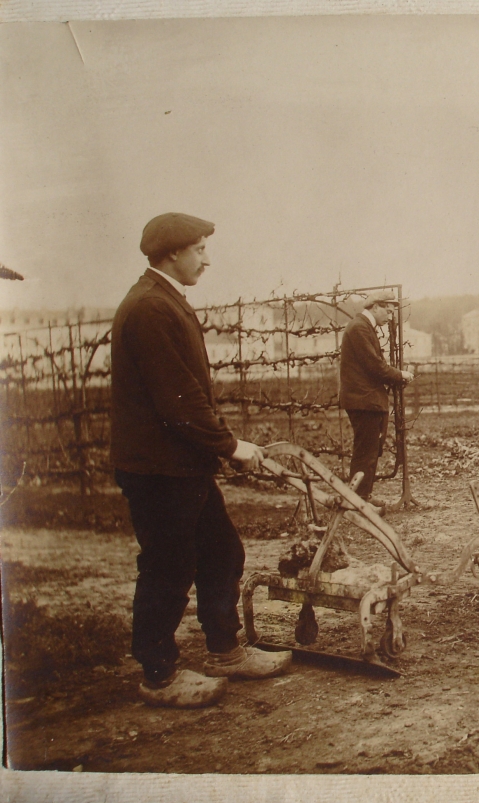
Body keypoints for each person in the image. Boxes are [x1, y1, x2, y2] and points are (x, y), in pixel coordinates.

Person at [111, 213, 291, 709]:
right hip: (158, 468)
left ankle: (224, 651)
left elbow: (187, 395)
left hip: (180, 465)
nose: (207, 259)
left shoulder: (163, 300)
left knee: (221, 553)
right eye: (200, 249)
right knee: (169, 565)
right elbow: (179, 401)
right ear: (172, 253)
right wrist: (229, 446)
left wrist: (218, 449)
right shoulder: (150, 307)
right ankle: (158, 674)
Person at [338, 291, 413, 509]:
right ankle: (358, 501)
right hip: (364, 401)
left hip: (367, 400)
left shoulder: (363, 327)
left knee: (370, 450)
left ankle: (363, 497)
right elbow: (374, 365)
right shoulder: (360, 328)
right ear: (375, 307)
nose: (390, 317)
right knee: (365, 451)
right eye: (388, 312)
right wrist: (400, 375)